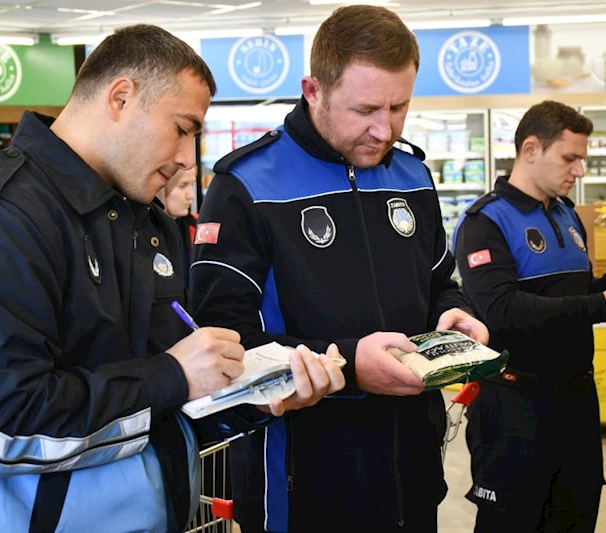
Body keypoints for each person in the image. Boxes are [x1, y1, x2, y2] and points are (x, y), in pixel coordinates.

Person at [0, 24, 345, 533]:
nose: (187, 158)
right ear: (121, 97)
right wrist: (174, 374)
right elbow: (0, 425)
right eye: (181, 128)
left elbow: (163, 404)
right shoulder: (0, 220)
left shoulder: (145, 221)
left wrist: (254, 396)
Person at [190, 6, 488, 532]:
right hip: (302, 485)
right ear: (313, 89)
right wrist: (350, 366)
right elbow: (223, 344)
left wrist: (455, 313)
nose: (384, 129)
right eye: (366, 108)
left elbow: (440, 279)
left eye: (399, 107)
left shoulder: (411, 174)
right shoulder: (246, 186)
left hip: (413, 471)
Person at [453, 100, 606, 532]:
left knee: (576, 516)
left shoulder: (568, 216)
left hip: (578, 404)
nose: (579, 170)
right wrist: (603, 304)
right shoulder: (485, 222)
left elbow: (573, 301)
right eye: (570, 157)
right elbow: (501, 311)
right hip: (515, 410)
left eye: (582, 158)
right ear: (530, 149)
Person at [157, 166, 199, 284]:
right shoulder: (143, 232)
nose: (191, 195)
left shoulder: (198, 226)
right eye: (182, 185)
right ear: (162, 187)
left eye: (192, 185)